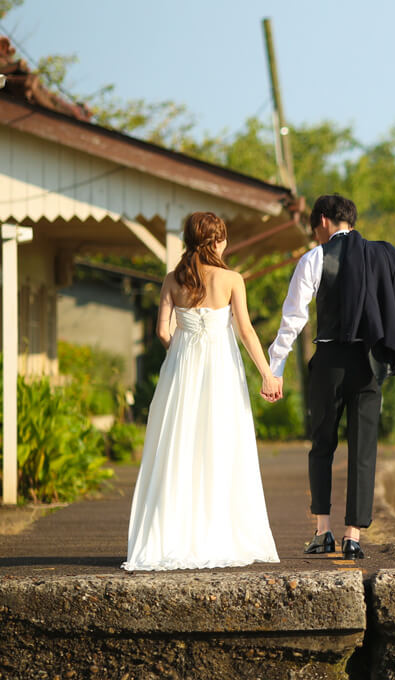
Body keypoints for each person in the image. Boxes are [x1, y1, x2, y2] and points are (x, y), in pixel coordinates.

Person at [123, 212, 280, 571]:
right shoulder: (231, 279)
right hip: (221, 371)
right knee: (221, 445)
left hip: (181, 372)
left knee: (178, 447)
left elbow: (163, 331)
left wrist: (182, 354)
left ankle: (173, 535)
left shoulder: (172, 280)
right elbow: (246, 332)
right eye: (222, 237)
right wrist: (267, 375)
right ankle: (220, 533)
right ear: (215, 241)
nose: (225, 242)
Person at [264, 194, 395, 560]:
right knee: (364, 450)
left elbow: (294, 318)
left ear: (323, 221)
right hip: (370, 361)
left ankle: (322, 531)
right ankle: (354, 535)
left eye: (315, 231)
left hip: (330, 360)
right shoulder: (383, 256)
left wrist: (274, 367)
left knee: (322, 445)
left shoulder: (315, 258)